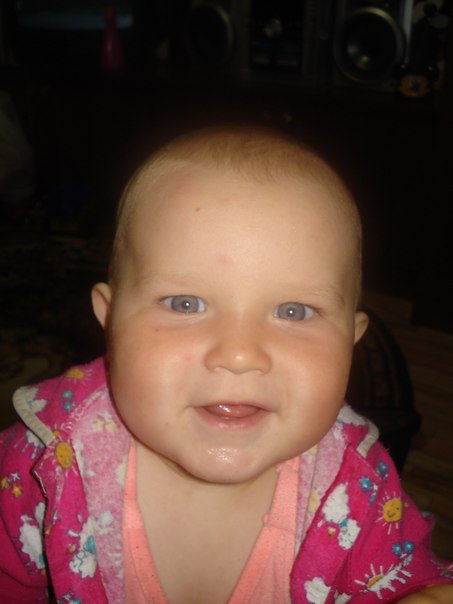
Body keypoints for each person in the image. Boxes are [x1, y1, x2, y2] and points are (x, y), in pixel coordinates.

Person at [0, 125, 452, 604]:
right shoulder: (41, 463)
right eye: (185, 304)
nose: (239, 354)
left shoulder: (356, 486)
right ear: (111, 320)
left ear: (351, 339)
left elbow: (409, 578)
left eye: (293, 311)